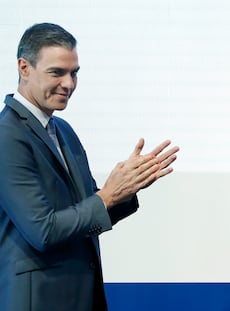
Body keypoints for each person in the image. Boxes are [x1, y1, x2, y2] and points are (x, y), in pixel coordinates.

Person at [0, 22, 179, 311]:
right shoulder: (7, 136)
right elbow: (43, 231)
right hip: (40, 301)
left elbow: (84, 206)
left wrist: (127, 188)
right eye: (57, 72)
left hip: (81, 296)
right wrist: (108, 195)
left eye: (74, 73)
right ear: (24, 68)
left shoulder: (63, 130)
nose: (69, 84)